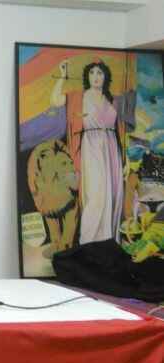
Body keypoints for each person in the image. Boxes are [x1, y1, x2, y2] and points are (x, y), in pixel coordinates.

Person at [50, 57, 124, 244]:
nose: (95, 76)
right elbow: (55, 100)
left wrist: (125, 159)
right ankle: (89, 243)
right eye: (92, 72)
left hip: (111, 150)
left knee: (112, 195)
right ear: (87, 76)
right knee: (95, 195)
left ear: (105, 76)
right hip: (91, 148)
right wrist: (62, 76)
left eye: (99, 72)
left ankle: (108, 242)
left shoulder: (111, 101)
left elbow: (119, 131)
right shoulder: (78, 96)